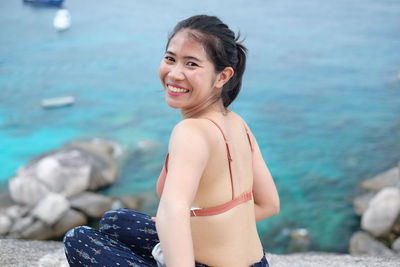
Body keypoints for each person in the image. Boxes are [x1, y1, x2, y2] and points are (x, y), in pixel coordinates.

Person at [63, 14, 280, 267]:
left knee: (79, 239)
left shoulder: (190, 132)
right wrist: (208, 227)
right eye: (170, 59)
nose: (175, 73)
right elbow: (269, 204)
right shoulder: (237, 123)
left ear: (222, 77)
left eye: (191, 64)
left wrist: (181, 226)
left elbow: (173, 213)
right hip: (257, 263)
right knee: (114, 221)